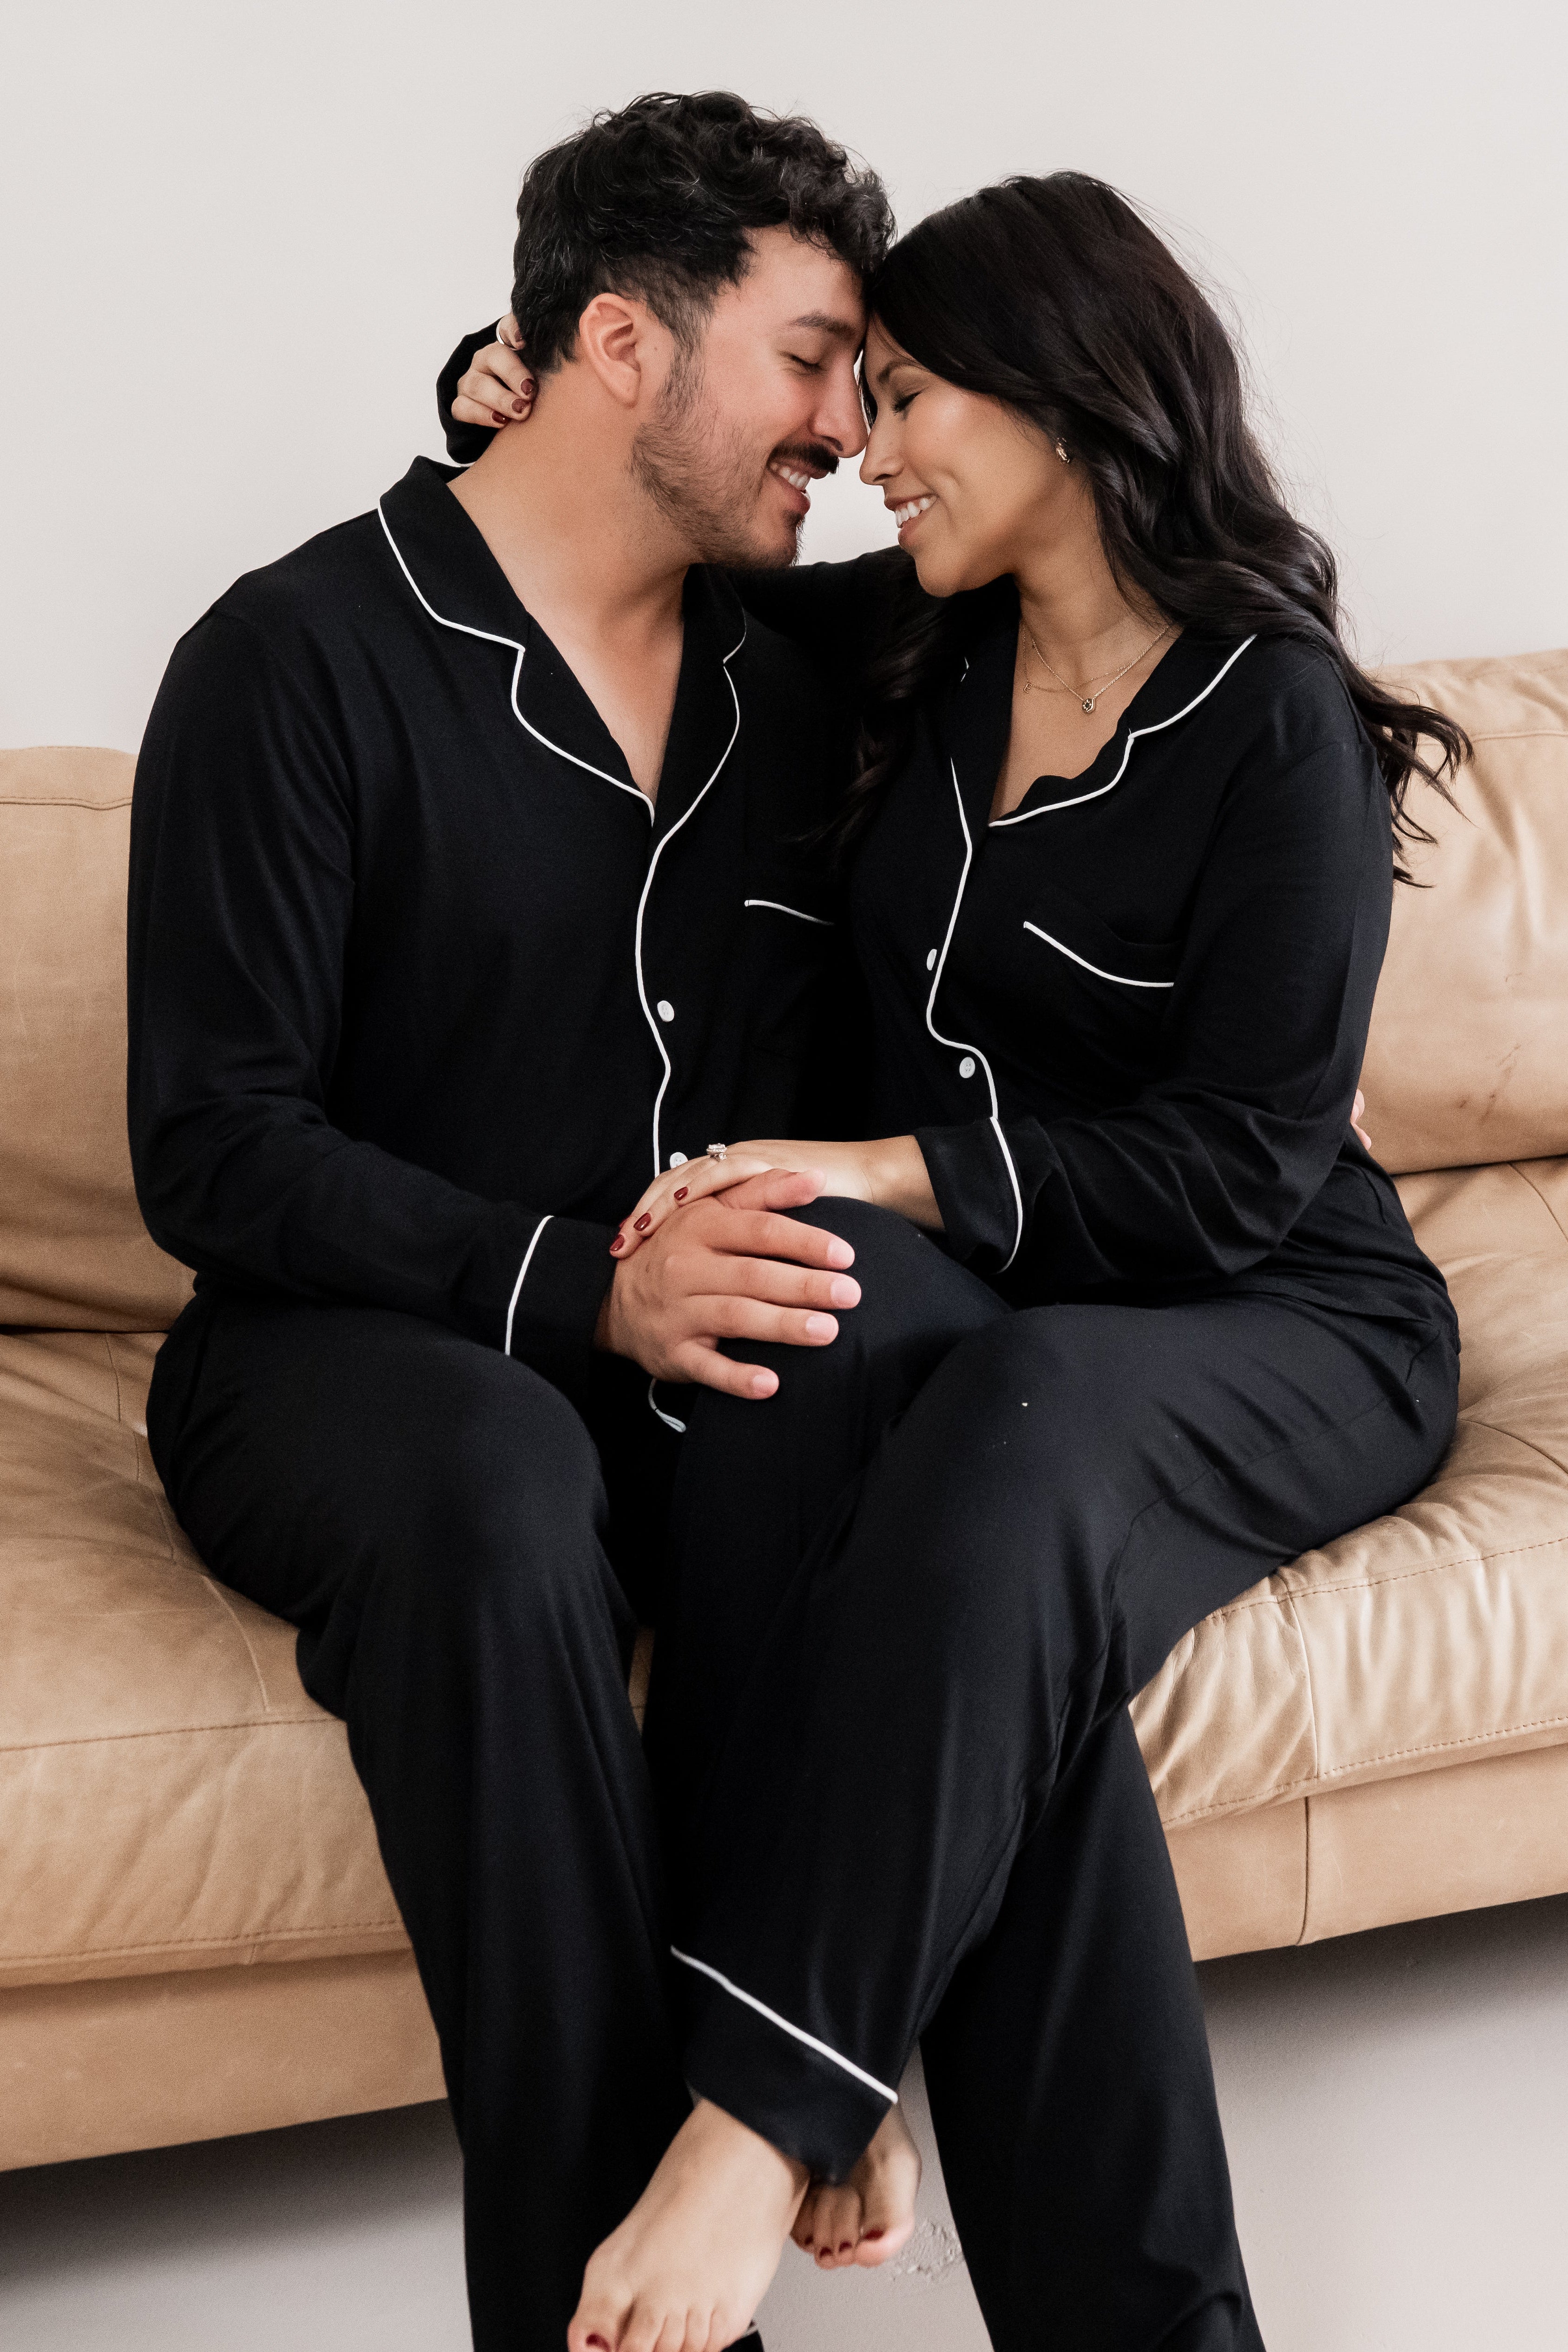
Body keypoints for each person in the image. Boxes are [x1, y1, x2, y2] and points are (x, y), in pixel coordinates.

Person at [442, 171, 1467, 2352]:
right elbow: (648, 524)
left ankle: (757, 2109)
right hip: (1031, 1312)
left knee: (1003, 1436)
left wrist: (891, 1166)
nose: (866, 448)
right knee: (795, 1319)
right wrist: (477, 397)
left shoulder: (1270, 715)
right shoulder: (913, 644)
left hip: (1280, 1307)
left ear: (1067, 398)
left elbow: (1239, 1166)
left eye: (907, 397)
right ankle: (901, 2108)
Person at [129, 92, 900, 2352]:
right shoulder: (292, 657)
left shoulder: (812, 674)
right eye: (811, 360)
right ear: (617, 346)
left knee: (925, 1408)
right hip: (344, 1352)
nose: (849, 429)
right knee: (495, 1476)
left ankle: (816, 2060)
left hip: (690, 1360)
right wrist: (581, 1290)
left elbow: (1093, 563)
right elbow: (215, 1147)